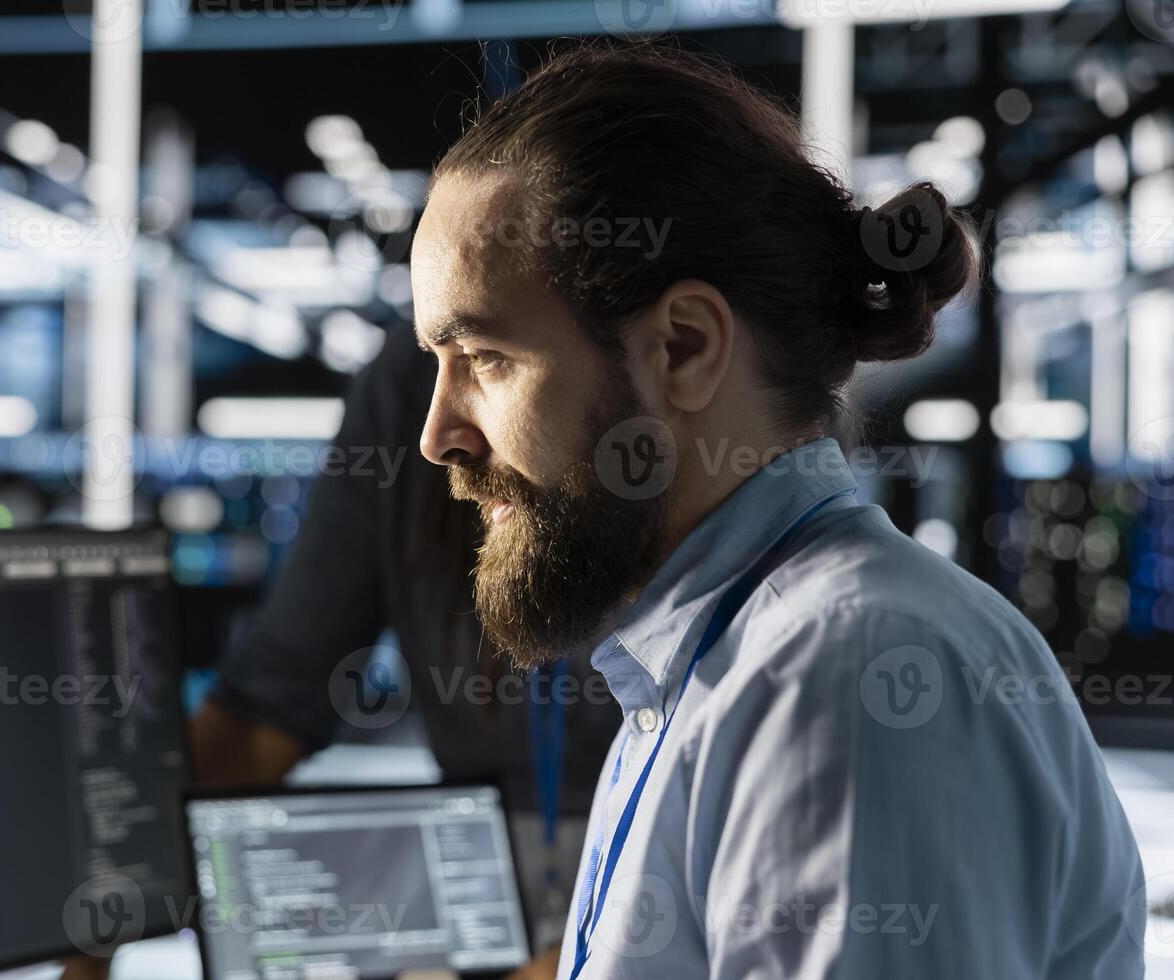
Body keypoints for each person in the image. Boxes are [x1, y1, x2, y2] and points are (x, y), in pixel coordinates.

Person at [409, 42, 1146, 979]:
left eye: (484, 358)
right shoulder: (717, 657)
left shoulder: (839, 675)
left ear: (684, 348)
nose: (438, 436)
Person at [192, 322, 624, 976]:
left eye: (486, 359)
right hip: (479, 892)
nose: (435, 439)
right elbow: (272, 698)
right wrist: (124, 851)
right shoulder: (406, 381)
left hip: (650, 879)